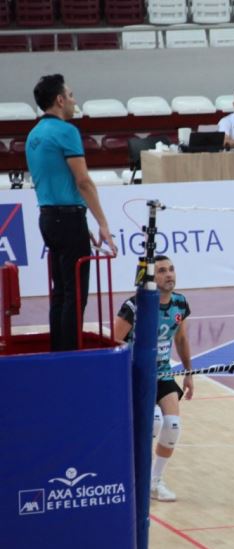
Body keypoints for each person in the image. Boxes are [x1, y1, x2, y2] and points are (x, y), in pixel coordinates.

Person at [26, 73, 118, 352]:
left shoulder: (34, 135)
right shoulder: (66, 131)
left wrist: (79, 218)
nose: (75, 101)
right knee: (76, 294)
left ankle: (60, 351)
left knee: (61, 291)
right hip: (66, 217)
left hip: (49, 218)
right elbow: (83, 181)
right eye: (72, 95)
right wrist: (102, 222)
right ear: (60, 99)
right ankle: (71, 355)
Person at [114, 255, 193, 502]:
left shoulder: (180, 303)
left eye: (171, 269)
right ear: (151, 277)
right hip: (136, 372)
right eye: (161, 271)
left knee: (173, 425)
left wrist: (189, 373)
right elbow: (114, 341)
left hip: (163, 372)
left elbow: (180, 339)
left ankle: (155, 482)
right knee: (154, 422)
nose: (169, 274)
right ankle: (136, 475)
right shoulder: (135, 306)